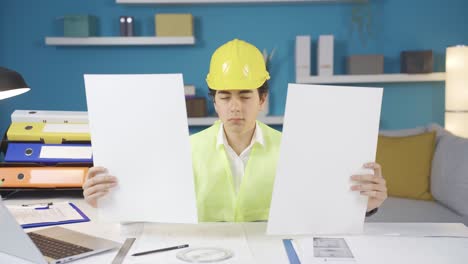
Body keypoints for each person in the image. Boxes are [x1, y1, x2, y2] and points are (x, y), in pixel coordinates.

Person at [83, 39, 387, 222]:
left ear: (262, 99)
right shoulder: (185, 151)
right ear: (214, 102)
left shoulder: (295, 150)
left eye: (245, 95)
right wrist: (108, 203)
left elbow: (323, 209)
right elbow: (149, 210)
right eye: (225, 96)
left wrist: (366, 207)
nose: (235, 107)